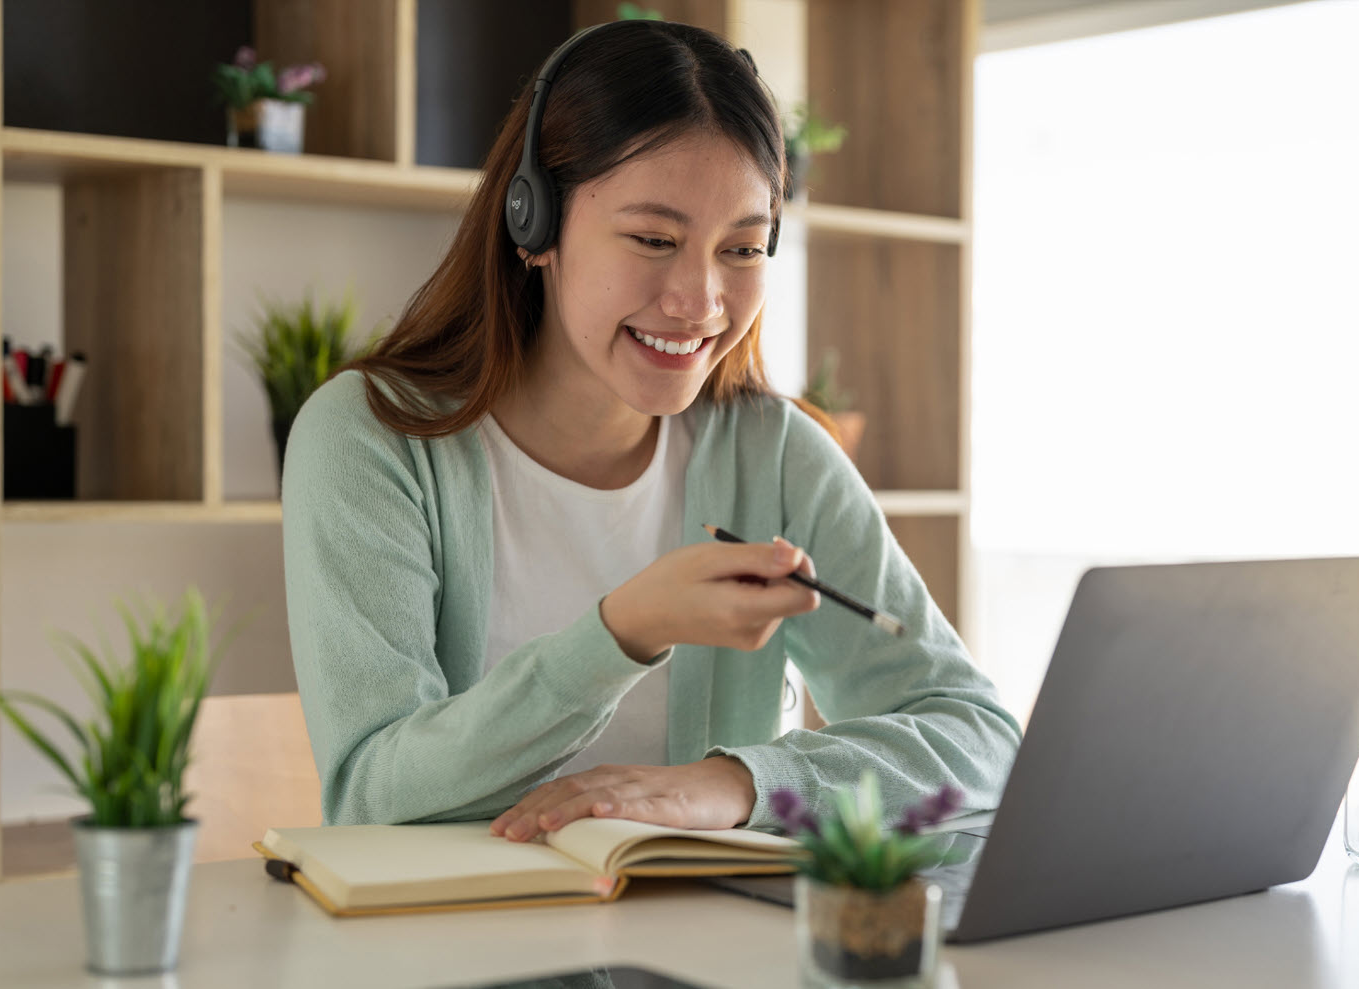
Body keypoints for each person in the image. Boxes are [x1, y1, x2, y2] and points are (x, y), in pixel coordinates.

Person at [280, 19, 1020, 843]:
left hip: (701, 956)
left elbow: (981, 738)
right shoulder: (370, 440)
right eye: (654, 240)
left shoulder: (773, 455)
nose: (700, 300)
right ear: (535, 225)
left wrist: (738, 782)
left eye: (742, 249)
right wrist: (622, 633)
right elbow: (370, 796)